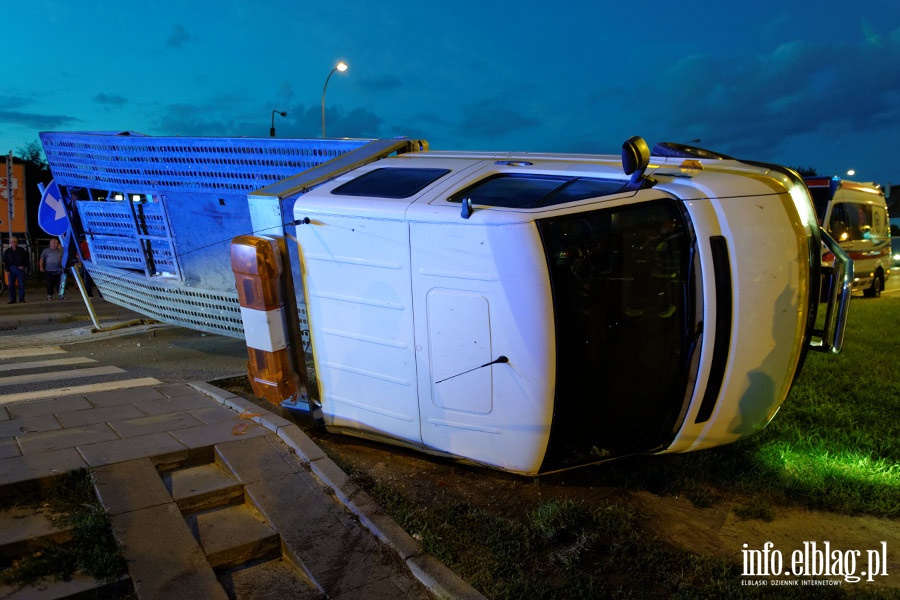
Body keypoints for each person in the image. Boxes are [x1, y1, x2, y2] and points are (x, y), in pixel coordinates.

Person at [2, 236, 29, 304]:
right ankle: (12, 299)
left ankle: (21, 299)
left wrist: (23, 266)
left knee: (22, 285)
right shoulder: (7, 251)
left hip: (19, 269)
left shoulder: (21, 250)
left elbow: (26, 259)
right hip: (11, 269)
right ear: (10, 243)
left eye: (14, 241)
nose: (13, 243)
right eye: (12, 242)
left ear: (17, 242)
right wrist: (7, 270)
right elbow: (5, 261)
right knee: (11, 285)